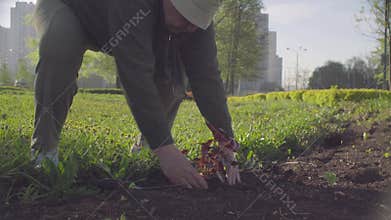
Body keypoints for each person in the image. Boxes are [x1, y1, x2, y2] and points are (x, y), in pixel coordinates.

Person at [31, 0, 241, 189]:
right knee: (60, 44)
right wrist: (166, 149)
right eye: (187, 16)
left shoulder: (195, 24)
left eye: (198, 20)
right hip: (71, 8)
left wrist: (226, 141)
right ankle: (44, 152)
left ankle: (146, 150)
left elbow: (206, 76)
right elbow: (135, 74)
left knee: (175, 71)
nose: (192, 26)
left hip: (133, 24)